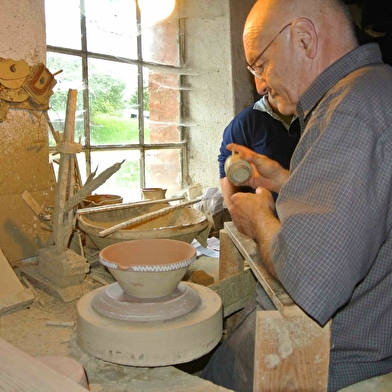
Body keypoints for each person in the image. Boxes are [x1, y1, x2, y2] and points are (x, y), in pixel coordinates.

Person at [201, 0, 392, 391]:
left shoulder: (351, 109)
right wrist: (288, 182)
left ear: (304, 38)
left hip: (333, 362)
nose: (258, 84)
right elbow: (365, 207)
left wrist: (258, 219)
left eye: (259, 64)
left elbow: (312, 279)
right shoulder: (375, 89)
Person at [218, 77, 300, 208]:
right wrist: (238, 215)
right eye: (257, 71)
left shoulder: (315, 117)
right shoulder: (245, 123)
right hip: (268, 217)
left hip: (308, 210)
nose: (261, 88)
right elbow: (226, 173)